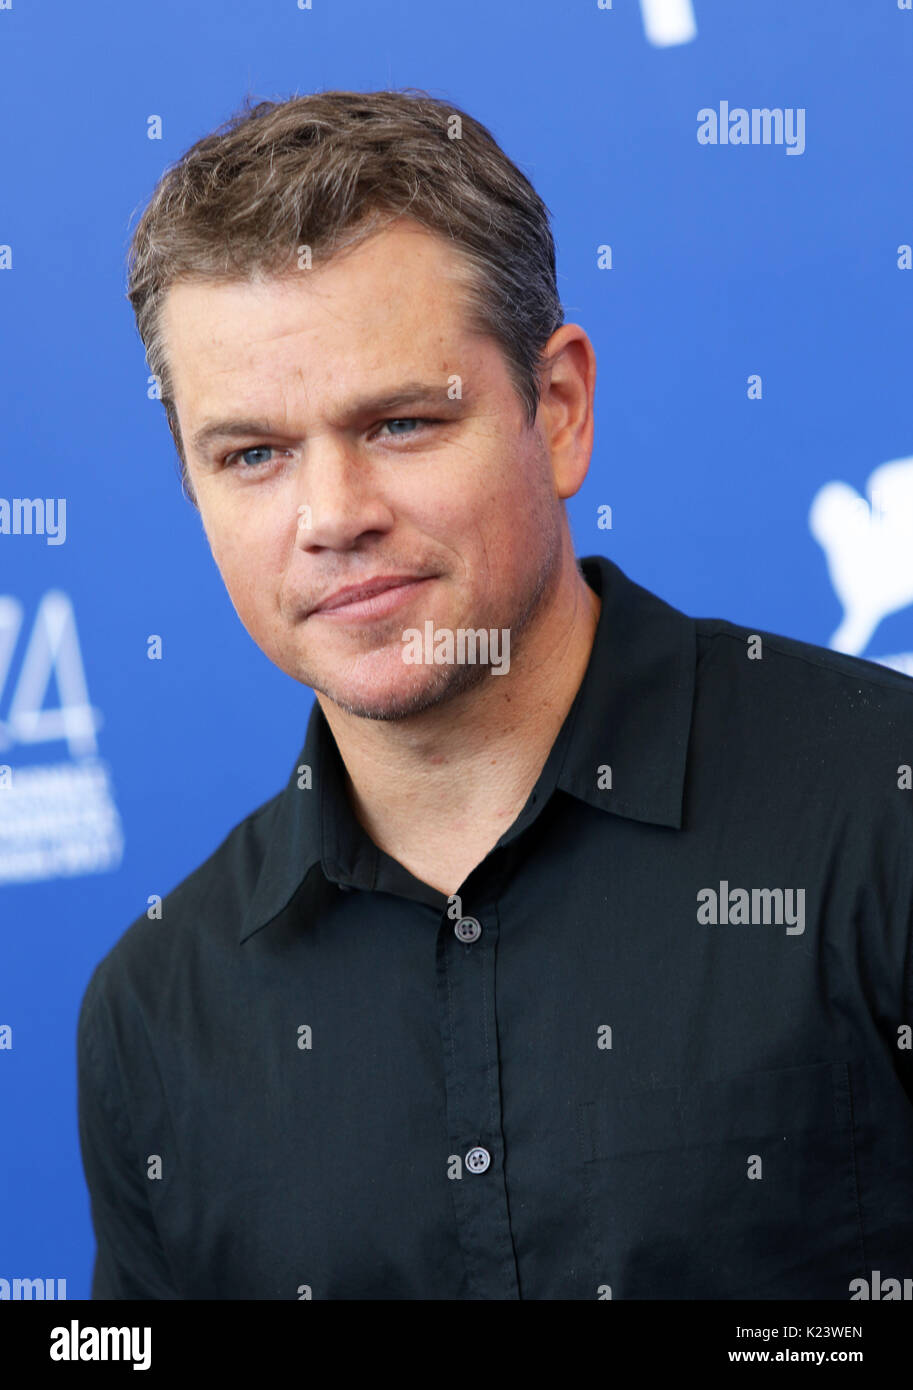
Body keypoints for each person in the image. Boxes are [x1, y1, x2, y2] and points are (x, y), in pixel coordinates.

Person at [77, 88, 913, 1300]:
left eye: (402, 422)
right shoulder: (158, 1013)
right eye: (251, 454)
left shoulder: (881, 816)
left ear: (559, 410)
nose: (331, 518)